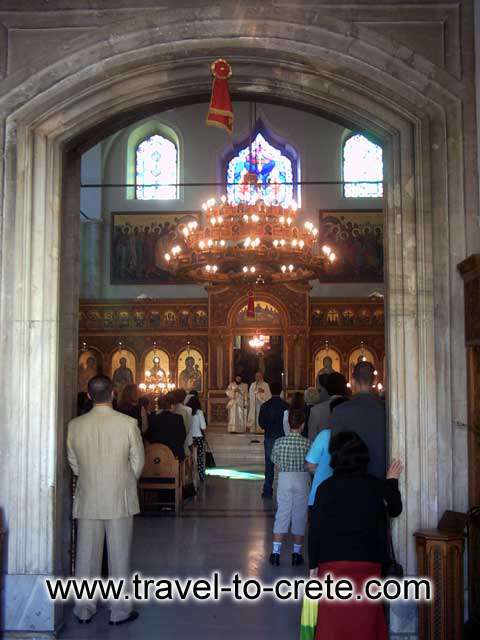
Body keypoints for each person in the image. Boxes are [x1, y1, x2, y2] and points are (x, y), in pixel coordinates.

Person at [308, 431, 403, 640]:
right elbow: (395, 509)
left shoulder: (325, 489)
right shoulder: (375, 485)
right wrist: (392, 481)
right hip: (369, 562)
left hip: (332, 563)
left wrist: (313, 564)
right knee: (365, 621)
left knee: (333, 621)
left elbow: (315, 529)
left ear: (335, 458)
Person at [67, 375, 144, 625]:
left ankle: (83, 609)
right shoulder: (128, 423)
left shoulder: (75, 425)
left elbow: (74, 463)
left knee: (86, 555)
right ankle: (119, 611)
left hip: (88, 495)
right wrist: (122, 480)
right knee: (119, 554)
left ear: (89, 396)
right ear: (113, 393)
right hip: (119, 497)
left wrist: (91, 478)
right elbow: (138, 462)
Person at [270, 410, 311, 566]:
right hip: (302, 478)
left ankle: (275, 554)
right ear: (302, 425)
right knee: (300, 515)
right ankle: (296, 554)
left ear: (288, 424)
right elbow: (311, 463)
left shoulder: (279, 442)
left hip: (285, 478)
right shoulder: (308, 442)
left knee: (282, 513)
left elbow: (275, 461)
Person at [331, 361, 387, 478]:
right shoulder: (385, 410)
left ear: (352, 381)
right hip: (380, 478)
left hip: (348, 479)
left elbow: (334, 450)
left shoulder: (339, 411)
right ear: (375, 381)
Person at [305, 396, 349, 507]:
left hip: (321, 491)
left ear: (331, 414)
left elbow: (310, 465)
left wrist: (321, 471)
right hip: (346, 493)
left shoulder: (325, 435)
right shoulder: (354, 436)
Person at [258, 381, 289, 498]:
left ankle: (267, 490)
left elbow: (261, 424)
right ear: (281, 391)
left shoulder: (265, 406)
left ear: (270, 390)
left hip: (269, 437)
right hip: (283, 438)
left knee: (269, 465)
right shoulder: (286, 406)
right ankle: (284, 489)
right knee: (284, 465)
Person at [144, 392, 186, 461]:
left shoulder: (152, 418)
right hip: (175, 455)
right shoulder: (178, 418)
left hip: (157, 456)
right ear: (170, 405)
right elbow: (182, 436)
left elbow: (148, 436)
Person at [308, 371, 348, 440]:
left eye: (319, 390)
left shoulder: (316, 410)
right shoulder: (353, 408)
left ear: (327, 388)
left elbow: (312, 440)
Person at [187, 395, 207, 481]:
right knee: (199, 458)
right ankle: (201, 476)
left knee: (189, 457)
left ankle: (189, 477)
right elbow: (203, 427)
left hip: (189, 438)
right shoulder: (199, 412)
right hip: (198, 437)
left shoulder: (187, 411)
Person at [173, 388, 193, 455]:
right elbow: (188, 427)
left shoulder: (171, 409)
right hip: (184, 440)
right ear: (184, 398)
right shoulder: (188, 410)